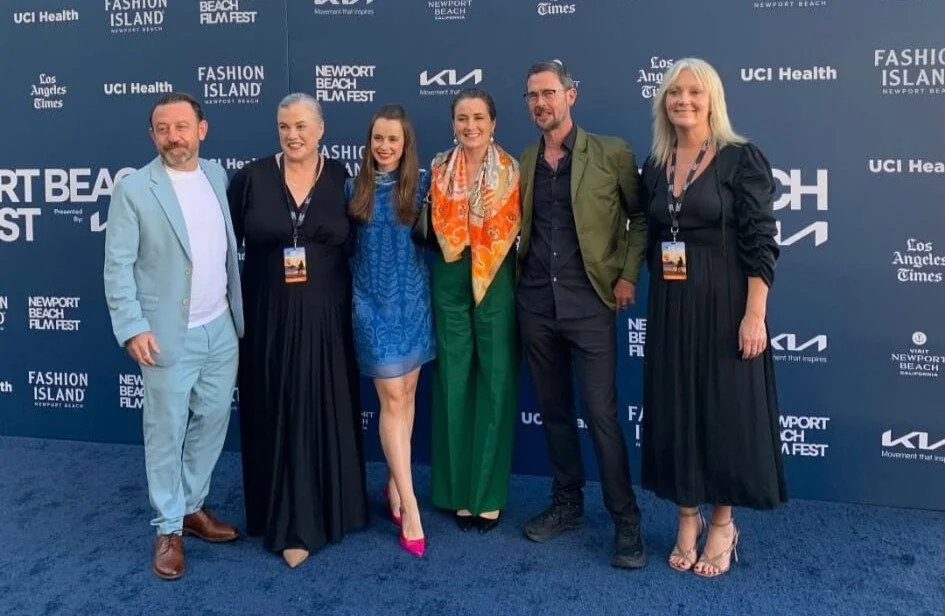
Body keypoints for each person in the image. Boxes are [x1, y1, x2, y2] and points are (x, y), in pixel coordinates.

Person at [638, 57, 787, 578]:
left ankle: (722, 524)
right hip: (671, 303)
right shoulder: (655, 163)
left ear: (712, 100)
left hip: (726, 305)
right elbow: (648, 232)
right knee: (677, 405)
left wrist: (755, 315)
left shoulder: (740, 159)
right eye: (674, 92)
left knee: (723, 412)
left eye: (694, 93)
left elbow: (761, 241)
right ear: (663, 101)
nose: (683, 100)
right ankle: (685, 517)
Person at [103, 92, 244, 581]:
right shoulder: (134, 189)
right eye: (163, 129)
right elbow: (117, 265)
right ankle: (168, 528)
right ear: (152, 135)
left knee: (212, 420)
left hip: (220, 327)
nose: (173, 137)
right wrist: (132, 327)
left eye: (182, 127)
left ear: (201, 130)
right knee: (165, 432)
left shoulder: (216, 176)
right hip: (164, 335)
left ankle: (191, 506)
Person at [226, 93, 369, 568]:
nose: (293, 135)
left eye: (302, 126)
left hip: (328, 320)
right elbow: (221, 249)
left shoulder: (343, 180)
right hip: (268, 319)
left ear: (321, 128)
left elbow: (368, 247)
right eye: (284, 126)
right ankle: (285, 519)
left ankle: (332, 510)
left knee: (320, 403)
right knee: (277, 405)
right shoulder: (249, 179)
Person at [517, 61, 647, 569]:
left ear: (571, 95)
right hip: (535, 304)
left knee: (601, 416)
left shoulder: (611, 152)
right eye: (532, 96)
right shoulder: (525, 158)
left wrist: (628, 275)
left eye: (549, 93)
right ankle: (567, 504)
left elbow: (641, 219)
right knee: (552, 413)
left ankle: (626, 521)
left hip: (592, 302)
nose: (540, 103)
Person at [427, 89, 520, 533]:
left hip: (497, 275)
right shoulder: (438, 169)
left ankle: (486, 495)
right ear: (453, 124)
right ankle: (455, 492)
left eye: (479, 117)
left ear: (493, 123)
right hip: (449, 276)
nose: (471, 126)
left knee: (496, 382)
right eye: (462, 118)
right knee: (452, 383)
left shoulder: (513, 172)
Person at [346, 104, 434, 557]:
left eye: (392, 140)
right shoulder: (351, 187)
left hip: (414, 304)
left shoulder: (423, 186)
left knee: (410, 393)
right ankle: (411, 503)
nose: (384, 147)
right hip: (370, 306)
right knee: (393, 398)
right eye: (377, 139)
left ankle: (395, 487)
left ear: (405, 144)